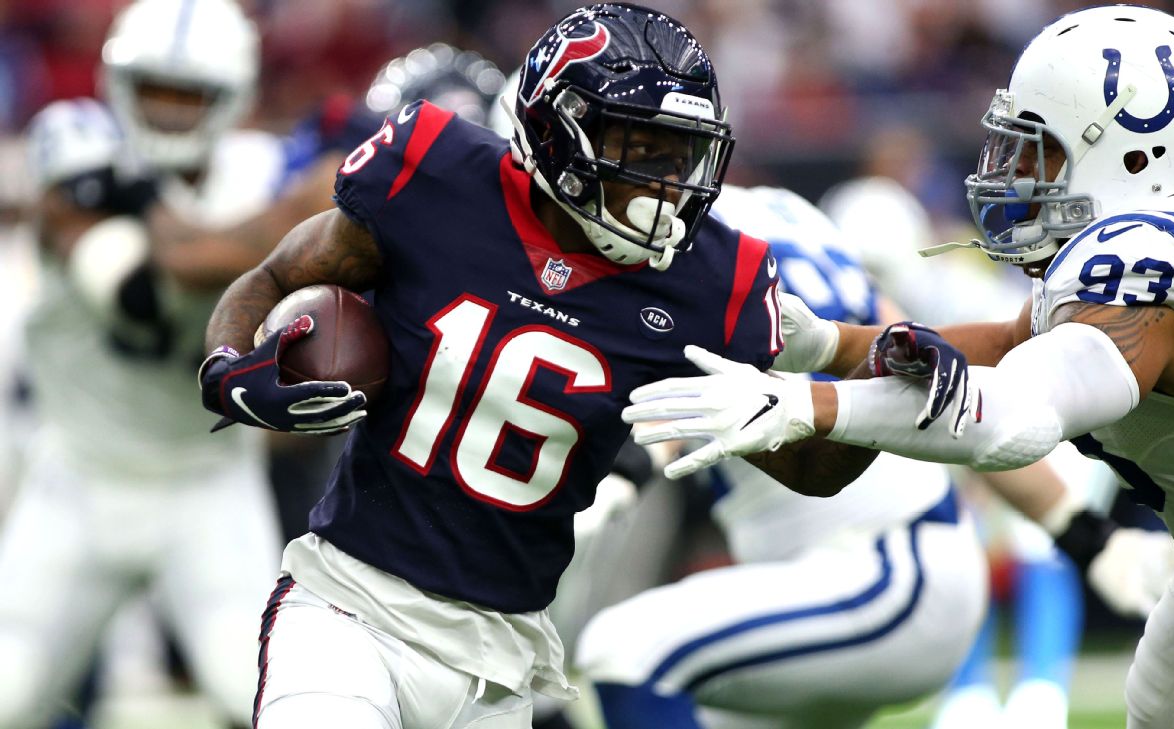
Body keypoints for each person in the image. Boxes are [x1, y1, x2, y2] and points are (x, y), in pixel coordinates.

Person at [622, 6, 1174, 727]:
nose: (1014, 172)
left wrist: (804, 405)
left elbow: (1017, 416)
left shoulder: (1151, 265)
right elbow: (1008, 343)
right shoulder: (1172, 242)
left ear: (1136, 156)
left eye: (1042, 150)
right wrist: (827, 345)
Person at [197, 5, 796, 727]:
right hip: (349, 608)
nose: (661, 185)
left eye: (676, 156)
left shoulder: (712, 282)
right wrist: (229, 366)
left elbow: (817, 463)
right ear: (555, 128)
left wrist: (819, 407)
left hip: (501, 661)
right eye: (636, 146)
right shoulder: (436, 174)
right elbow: (271, 274)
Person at [576, 184, 989, 729]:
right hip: (887, 559)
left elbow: (670, 402)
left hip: (880, 567)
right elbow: (950, 399)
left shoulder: (678, 242)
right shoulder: (789, 210)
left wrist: (621, 478)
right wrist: (1079, 530)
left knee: (626, 652)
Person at [0, 1, 284, 728]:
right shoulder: (75, 157)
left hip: (207, 486)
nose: (166, 111)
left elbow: (205, 250)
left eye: (187, 95)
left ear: (234, 97)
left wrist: (150, 201)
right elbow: (136, 293)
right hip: (78, 478)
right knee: (10, 690)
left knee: (272, 700)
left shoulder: (261, 175)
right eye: (154, 89)